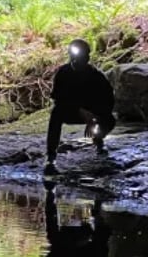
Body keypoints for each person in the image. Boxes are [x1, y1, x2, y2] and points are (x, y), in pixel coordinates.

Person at [46, 39, 115, 175]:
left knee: (109, 119)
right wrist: (79, 110)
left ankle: (98, 139)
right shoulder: (63, 73)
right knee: (56, 113)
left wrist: (94, 117)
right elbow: (58, 98)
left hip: (93, 114)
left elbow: (108, 101)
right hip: (73, 112)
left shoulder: (96, 76)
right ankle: (51, 154)